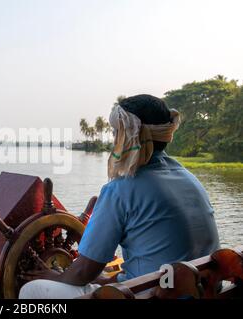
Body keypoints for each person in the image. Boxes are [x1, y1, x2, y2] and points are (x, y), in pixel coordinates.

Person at [19, 94, 220, 299]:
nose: (114, 139)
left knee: (31, 291)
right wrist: (105, 280)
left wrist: (55, 277)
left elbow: (83, 272)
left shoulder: (120, 189)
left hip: (156, 294)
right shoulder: (190, 179)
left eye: (116, 133)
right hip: (197, 291)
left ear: (128, 137)